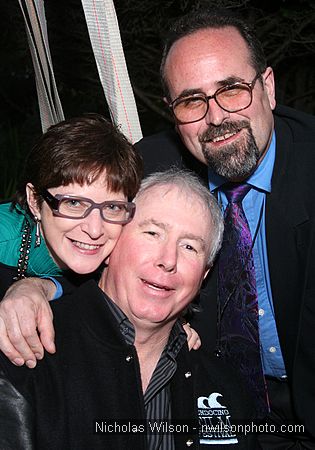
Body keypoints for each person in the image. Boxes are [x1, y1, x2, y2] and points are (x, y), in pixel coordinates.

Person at [134, 8, 315, 448]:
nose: (216, 117)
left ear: (268, 88)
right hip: (214, 417)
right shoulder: (149, 169)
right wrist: (39, 289)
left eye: (231, 89)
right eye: (192, 100)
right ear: (172, 113)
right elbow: (72, 231)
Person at [0, 170, 256, 449]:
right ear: (110, 245)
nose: (168, 260)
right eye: (152, 233)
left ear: (204, 274)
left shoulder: (225, 387)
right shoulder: (25, 347)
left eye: (189, 247)